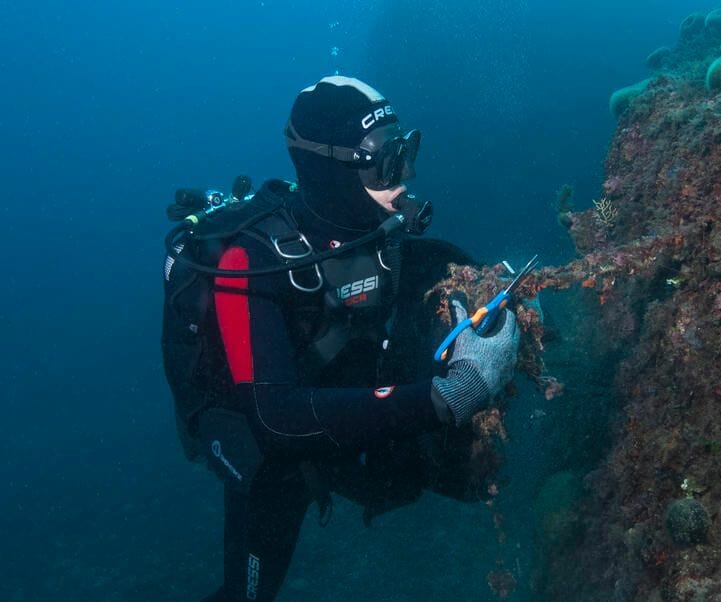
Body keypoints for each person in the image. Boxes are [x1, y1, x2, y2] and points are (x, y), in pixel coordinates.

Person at [161, 76, 520, 602]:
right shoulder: (249, 263)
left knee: (408, 482)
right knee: (248, 594)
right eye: (387, 161)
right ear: (333, 170)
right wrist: (452, 396)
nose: (408, 176)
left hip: (345, 407)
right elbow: (276, 419)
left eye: (407, 152)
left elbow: (446, 266)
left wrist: (505, 291)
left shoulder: (381, 233)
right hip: (270, 447)